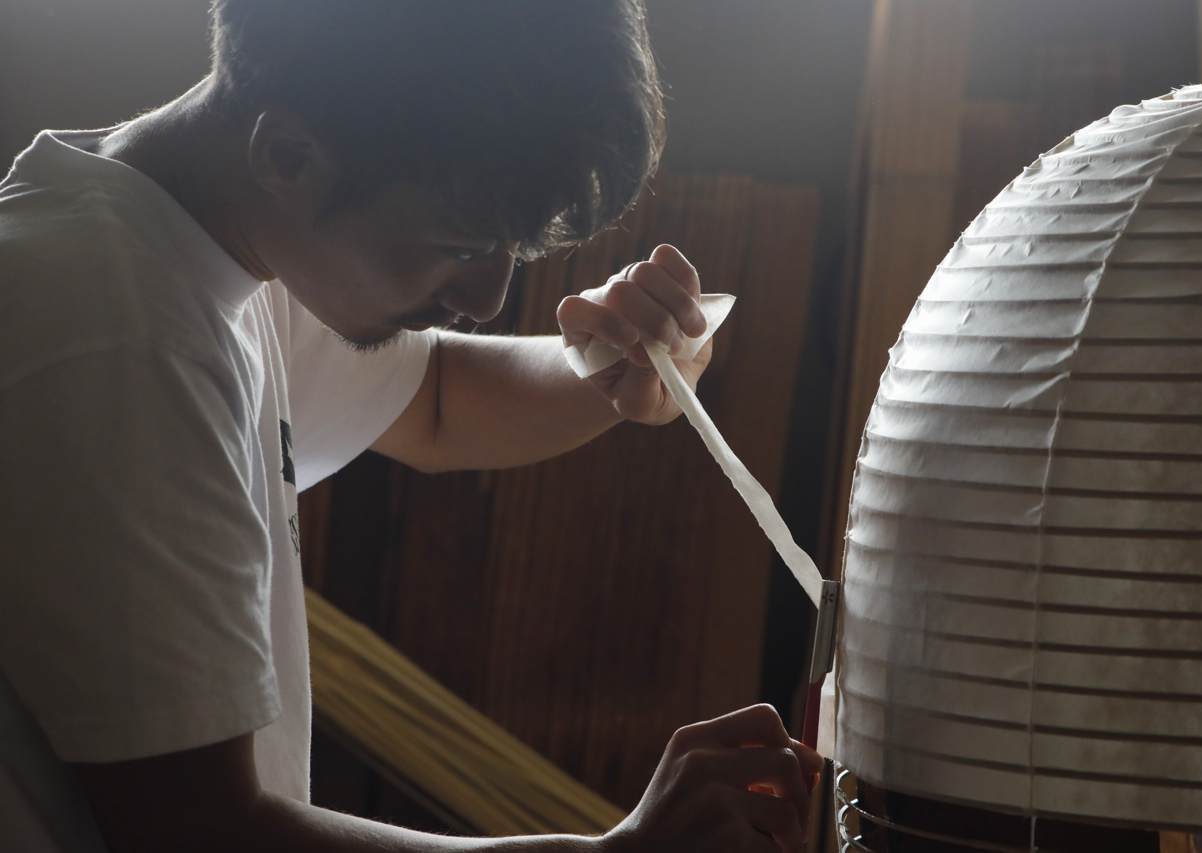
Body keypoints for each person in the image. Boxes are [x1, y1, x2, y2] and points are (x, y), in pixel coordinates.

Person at [0, 1, 822, 851]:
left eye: (509, 248)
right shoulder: (118, 341)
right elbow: (199, 833)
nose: (489, 300)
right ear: (288, 156)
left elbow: (432, 399)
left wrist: (611, 365)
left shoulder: (218, 239)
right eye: (461, 247)